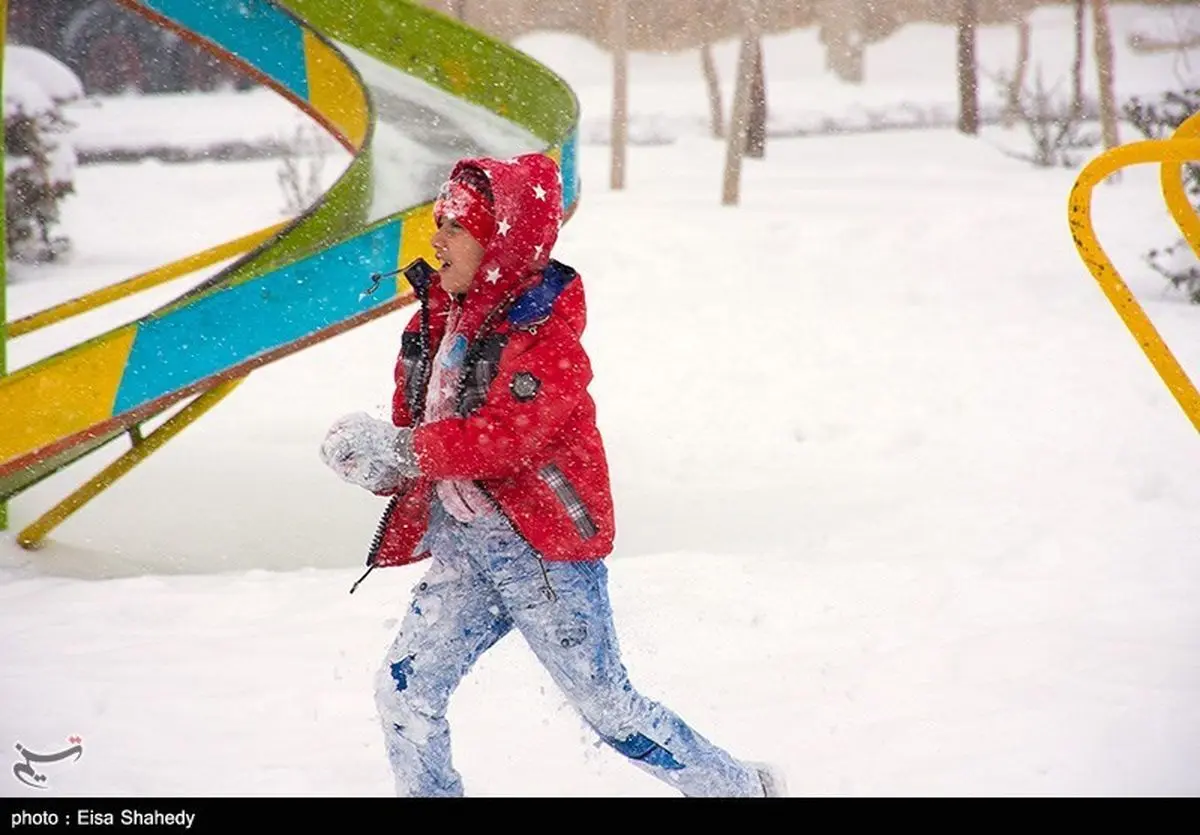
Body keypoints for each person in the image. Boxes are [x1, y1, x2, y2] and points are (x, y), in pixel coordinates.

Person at [318, 152, 784, 798]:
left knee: (610, 708)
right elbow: (418, 442)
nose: (437, 240)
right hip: (464, 548)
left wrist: (403, 449)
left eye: (454, 227)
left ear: (497, 244)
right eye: (438, 223)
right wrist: (374, 463)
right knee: (404, 690)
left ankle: (741, 789)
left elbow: (503, 438)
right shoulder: (427, 327)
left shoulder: (545, 333)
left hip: (543, 550)